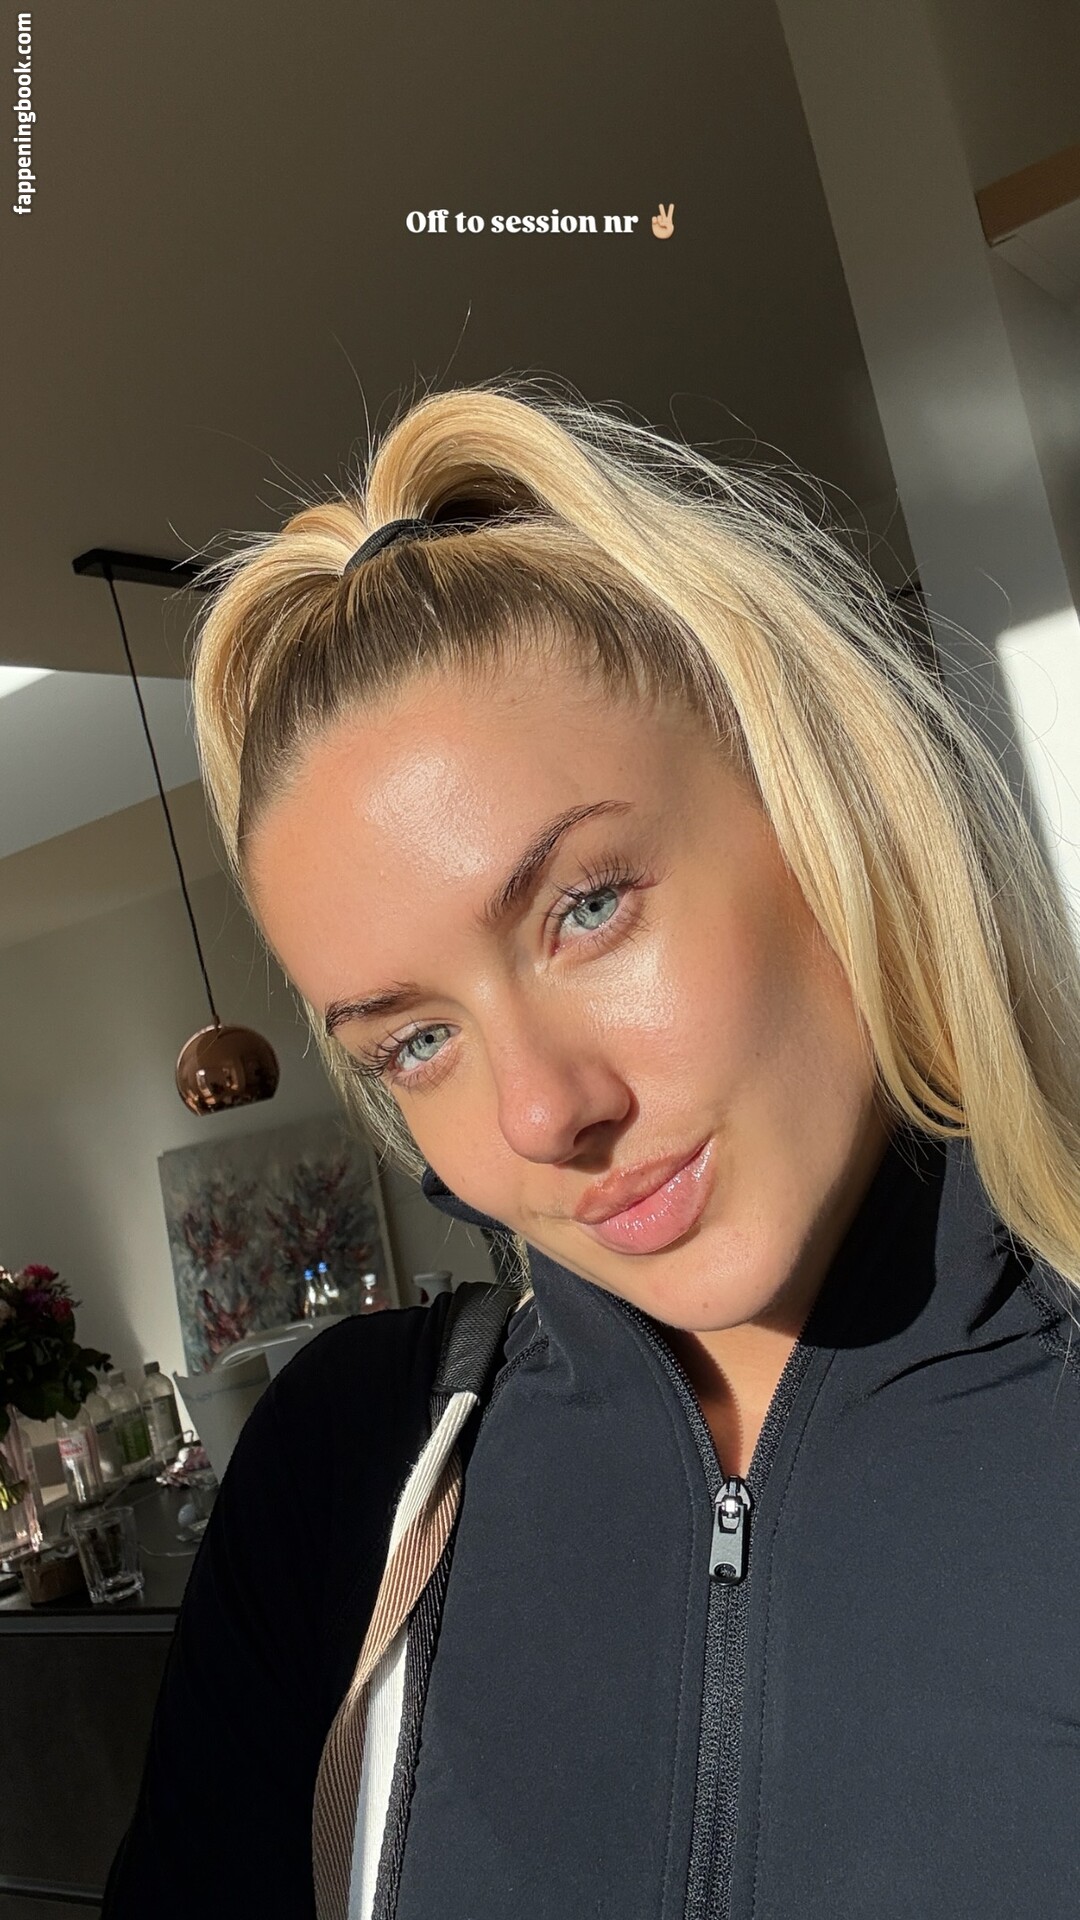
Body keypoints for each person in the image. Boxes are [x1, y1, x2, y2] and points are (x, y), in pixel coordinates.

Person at [101, 379, 1080, 1919]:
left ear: (823, 805)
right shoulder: (351, 1479)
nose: (542, 1114)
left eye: (588, 907)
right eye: (416, 1041)